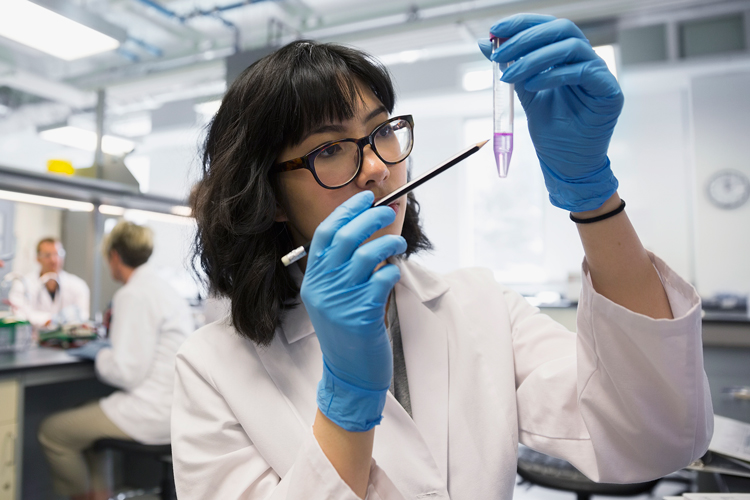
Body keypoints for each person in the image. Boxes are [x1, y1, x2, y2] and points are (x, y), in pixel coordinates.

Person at [172, 14, 713, 500]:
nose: (378, 168)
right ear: (269, 201)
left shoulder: (480, 308)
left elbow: (654, 437)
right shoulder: (212, 367)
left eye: (382, 130)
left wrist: (594, 199)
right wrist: (347, 398)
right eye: (329, 148)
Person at [38, 221, 195, 500]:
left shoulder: (132, 293)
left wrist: (99, 353)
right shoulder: (162, 288)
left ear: (114, 256)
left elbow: (125, 372)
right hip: (175, 410)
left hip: (151, 412)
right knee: (87, 429)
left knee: (54, 433)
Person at [9, 237, 90, 328]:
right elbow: (19, 313)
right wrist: (53, 319)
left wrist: (53, 320)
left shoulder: (78, 285)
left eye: (57, 254)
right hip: (32, 340)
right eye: (47, 255)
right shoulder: (23, 284)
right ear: (37, 258)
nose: (53, 260)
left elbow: (82, 315)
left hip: (67, 341)